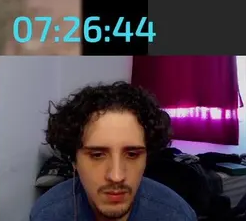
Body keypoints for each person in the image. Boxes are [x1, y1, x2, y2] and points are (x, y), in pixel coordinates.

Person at [30, 81, 198, 221]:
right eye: (97, 155)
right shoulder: (48, 214)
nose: (116, 176)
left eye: (132, 154)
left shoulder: (176, 215)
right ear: (74, 160)